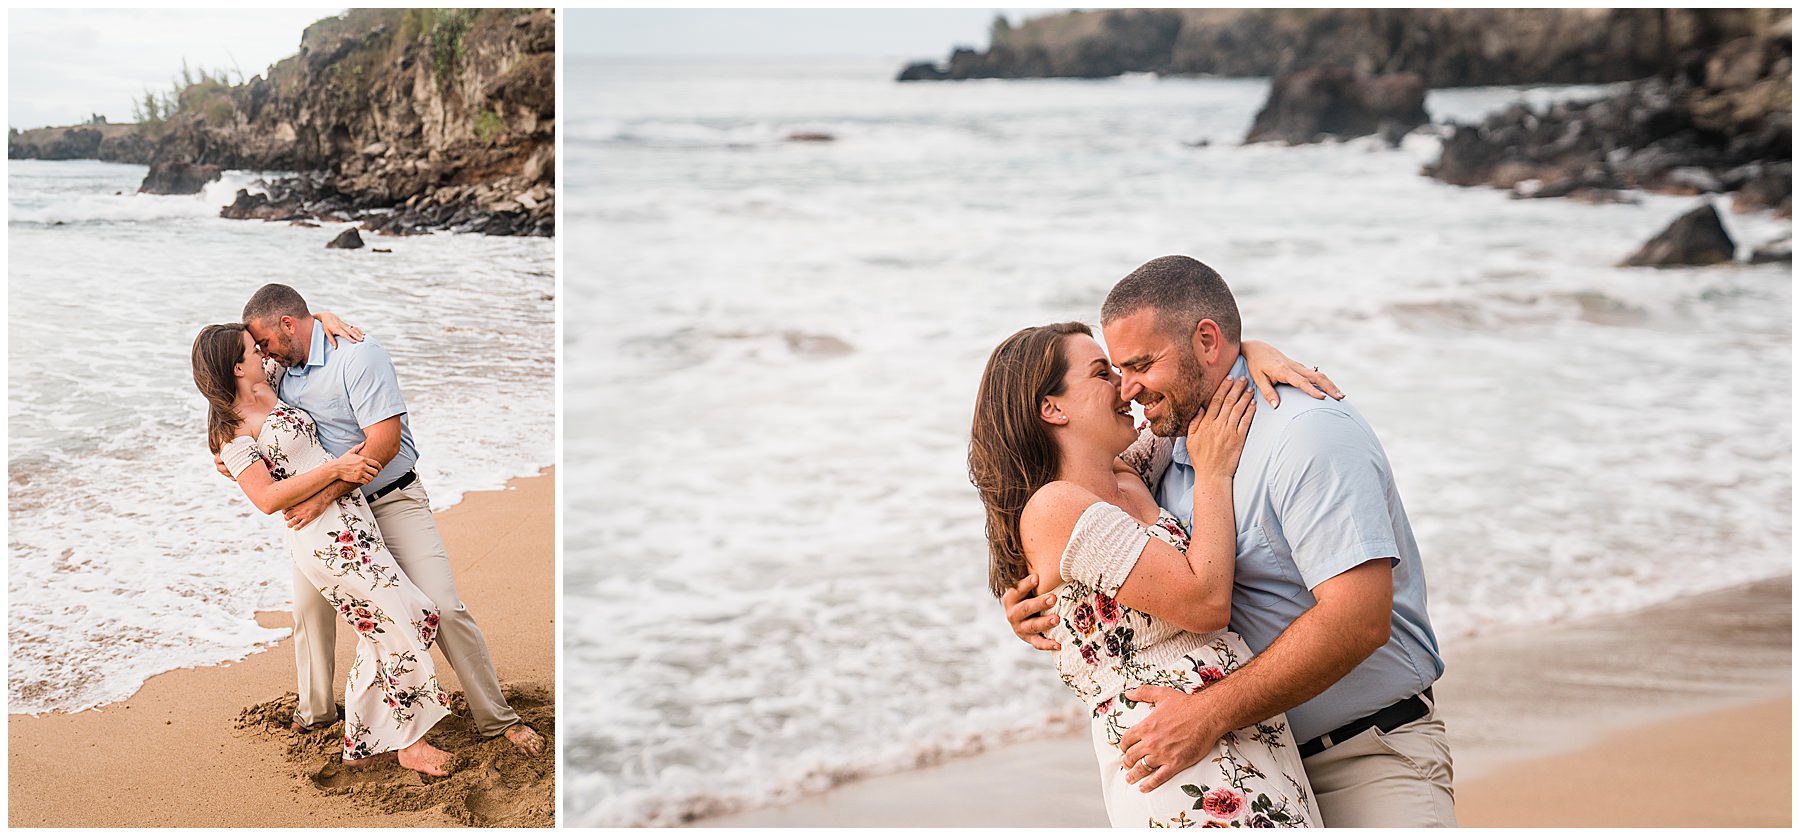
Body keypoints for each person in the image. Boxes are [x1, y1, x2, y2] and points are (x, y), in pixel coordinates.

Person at [1003, 255, 1454, 827]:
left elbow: (1359, 619)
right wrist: (1047, 608)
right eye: (1115, 371)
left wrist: (1208, 714)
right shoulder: (1164, 450)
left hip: (1366, 756)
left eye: (1140, 364)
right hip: (1241, 762)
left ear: (1208, 342)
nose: (1129, 389)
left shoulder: (1307, 436)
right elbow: (1100, 555)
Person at [970, 321, 1340, 827]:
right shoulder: (1054, 507)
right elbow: (1206, 603)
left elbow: (1192, 400)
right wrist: (1212, 476)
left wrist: (1246, 349)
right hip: (1167, 750)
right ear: (1051, 408)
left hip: (1235, 724)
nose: (1126, 387)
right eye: (1104, 373)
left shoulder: (1128, 474)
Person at [236, 283, 545, 757]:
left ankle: (496, 718)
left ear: (288, 326)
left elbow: (384, 445)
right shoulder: (279, 368)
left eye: (265, 341)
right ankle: (316, 713)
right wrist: (229, 456)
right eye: (257, 348)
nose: (261, 352)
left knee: (441, 605)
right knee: (309, 612)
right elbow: (226, 375)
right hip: (328, 522)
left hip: (387, 498)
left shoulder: (358, 357)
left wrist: (324, 496)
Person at [192, 322, 456, 775]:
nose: (260, 350)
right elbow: (269, 500)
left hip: (354, 518)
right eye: (250, 350)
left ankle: (369, 731)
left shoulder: (270, 381)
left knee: (401, 619)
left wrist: (324, 315)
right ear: (236, 368)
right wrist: (338, 468)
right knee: (398, 621)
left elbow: (295, 331)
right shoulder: (232, 434)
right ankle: (408, 742)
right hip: (324, 540)